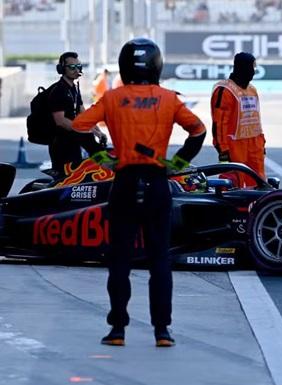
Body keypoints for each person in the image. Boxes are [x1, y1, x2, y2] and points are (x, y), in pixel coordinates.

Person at [72, 38, 207, 347]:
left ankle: (117, 329)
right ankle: (162, 331)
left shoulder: (112, 97)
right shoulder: (169, 98)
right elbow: (198, 131)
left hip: (125, 182)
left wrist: (103, 157)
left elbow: (80, 127)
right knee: (160, 258)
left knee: (120, 257)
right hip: (157, 181)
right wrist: (178, 162)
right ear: (157, 65)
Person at [211, 52, 266, 187]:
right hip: (233, 147)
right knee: (234, 183)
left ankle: (256, 207)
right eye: (252, 67)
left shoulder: (252, 90)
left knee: (259, 182)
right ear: (243, 67)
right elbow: (219, 124)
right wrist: (223, 150)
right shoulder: (225, 90)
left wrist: (262, 142)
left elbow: (256, 119)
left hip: (254, 145)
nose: (253, 71)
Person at [49, 51, 106, 174]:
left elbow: (84, 115)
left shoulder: (74, 89)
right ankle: (106, 164)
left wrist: (98, 131)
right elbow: (60, 121)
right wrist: (83, 130)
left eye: (78, 67)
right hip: (61, 144)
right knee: (65, 177)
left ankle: (106, 166)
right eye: (72, 67)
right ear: (62, 69)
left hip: (73, 141)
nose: (76, 70)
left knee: (78, 172)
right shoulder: (58, 91)